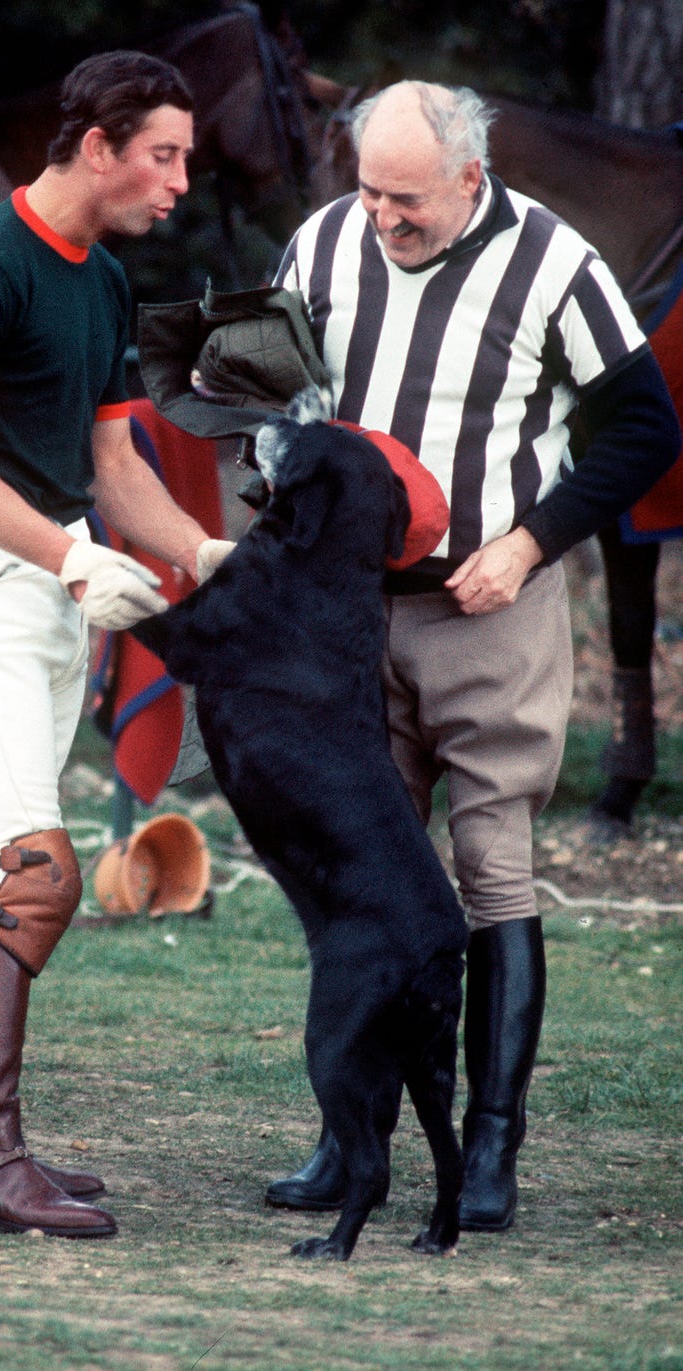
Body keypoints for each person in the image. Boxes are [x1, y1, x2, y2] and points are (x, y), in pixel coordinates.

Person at [265, 80, 679, 1232]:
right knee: (363, 878)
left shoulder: (555, 263)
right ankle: (348, 1137)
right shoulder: (322, 241)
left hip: (486, 603)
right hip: (350, 606)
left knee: (489, 868)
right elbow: (274, 389)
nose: (382, 216)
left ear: (467, 175)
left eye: (405, 197)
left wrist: (530, 539)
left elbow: (644, 428)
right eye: (367, 189)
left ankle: (491, 1147)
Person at [0, 50, 234, 1240]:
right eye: (163, 154)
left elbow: (111, 466)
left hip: (43, 598)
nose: (180, 181)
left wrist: (203, 553)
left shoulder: (97, 284)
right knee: (32, 872)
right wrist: (69, 557)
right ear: (96, 145)